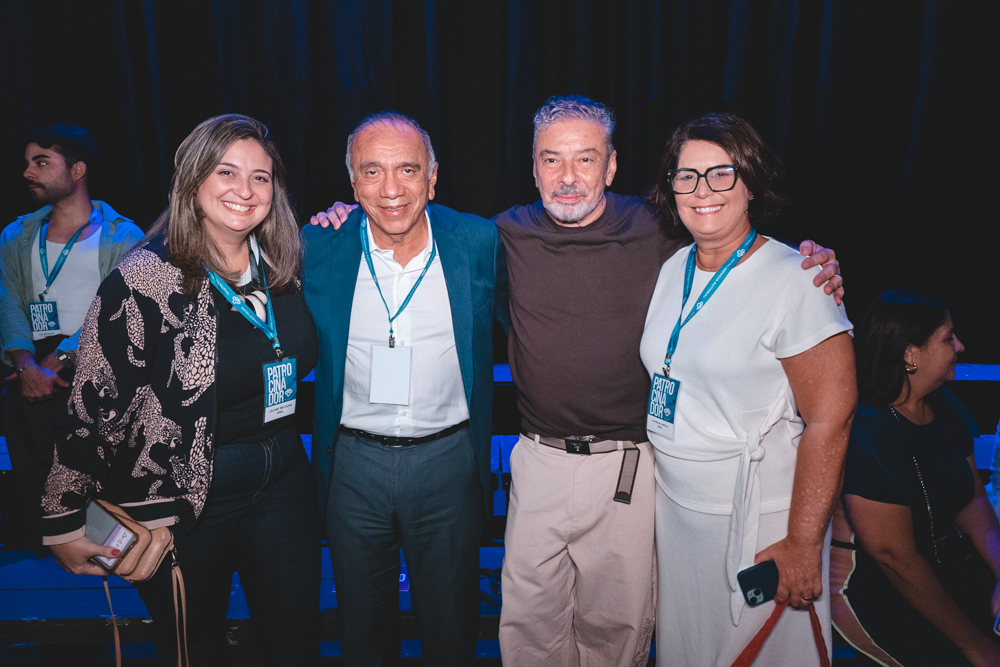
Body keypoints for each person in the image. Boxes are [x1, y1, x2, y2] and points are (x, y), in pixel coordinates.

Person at [311, 96, 845, 666]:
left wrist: (807, 261)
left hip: (629, 469)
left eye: (585, 159)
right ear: (533, 168)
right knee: (526, 628)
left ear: (610, 167)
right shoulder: (502, 235)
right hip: (537, 462)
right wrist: (341, 217)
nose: (567, 177)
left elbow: (731, 244)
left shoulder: (660, 230)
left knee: (617, 632)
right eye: (552, 160)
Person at [41, 114, 321, 666]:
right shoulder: (145, 278)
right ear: (194, 181)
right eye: (227, 172)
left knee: (295, 643)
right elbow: (94, 403)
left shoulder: (284, 265)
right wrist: (63, 517)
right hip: (186, 495)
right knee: (194, 649)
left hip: (283, 479)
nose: (245, 190)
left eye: (261, 177)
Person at [639, 112, 856, 666]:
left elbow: (832, 418)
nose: (702, 190)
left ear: (751, 183)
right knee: (691, 651)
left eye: (721, 173)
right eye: (686, 176)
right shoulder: (674, 268)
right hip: (680, 517)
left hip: (762, 520)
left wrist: (804, 544)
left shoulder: (798, 279)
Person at [300, 111, 508, 666]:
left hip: (448, 462)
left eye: (408, 170)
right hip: (353, 467)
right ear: (352, 183)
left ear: (432, 178)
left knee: (452, 624)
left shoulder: (477, 241)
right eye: (372, 172)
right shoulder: (319, 245)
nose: (391, 189)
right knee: (361, 626)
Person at [830, 289, 1000, 667]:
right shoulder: (867, 432)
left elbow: (972, 498)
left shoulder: (942, 403)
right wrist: (974, 645)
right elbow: (895, 557)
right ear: (910, 354)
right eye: (948, 338)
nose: (960, 345)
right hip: (876, 585)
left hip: (942, 567)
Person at [0, 125, 142, 548]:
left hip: (98, 367)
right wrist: (26, 364)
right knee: (38, 476)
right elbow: (8, 301)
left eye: (42, 162)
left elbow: (116, 311)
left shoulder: (123, 235)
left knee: (101, 481)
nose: (28, 172)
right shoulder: (16, 235)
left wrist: (60, 359)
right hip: (31, 371)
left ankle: (112, 558)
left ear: (77, 170)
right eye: (28, 162)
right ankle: (56, 560)